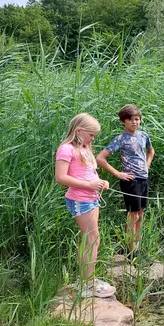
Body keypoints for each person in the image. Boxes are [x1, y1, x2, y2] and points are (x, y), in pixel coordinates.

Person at [55, 113, 116, 298]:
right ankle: (87, 284)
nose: (93, 139)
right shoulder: (66, 149)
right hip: (80, 200)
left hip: (91, 198)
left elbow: (88, 173)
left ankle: (89, 280)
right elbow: (61, 177)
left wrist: (100, 182)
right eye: (91, 135)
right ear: (80, 131)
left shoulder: (84, 148)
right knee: (91, 239)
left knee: (92, 238)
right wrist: (89, 185)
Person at [96, 104, 155, 259]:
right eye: (130, 120)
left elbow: (151, 151)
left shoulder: (143, 136)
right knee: (132, 214)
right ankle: (130, 250)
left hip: (143, 178)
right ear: (123, 121)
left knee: (141, 213)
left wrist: (147, 164)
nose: (134, 122)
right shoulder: (120, 139)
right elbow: (100, 158)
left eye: (137, 119)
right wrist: (118, 174)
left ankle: (138, 246)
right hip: (130, 180)